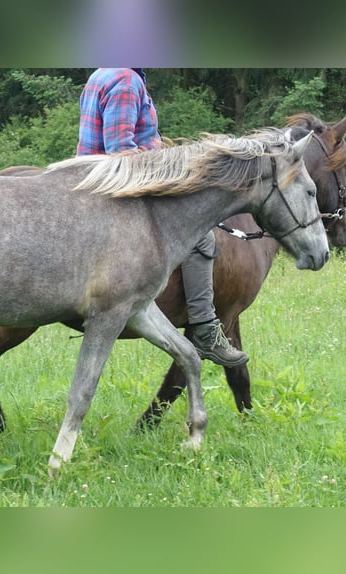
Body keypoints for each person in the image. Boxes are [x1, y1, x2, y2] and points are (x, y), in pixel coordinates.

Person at [76, 68, 248, 367]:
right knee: (201, 237)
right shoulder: (126, 81)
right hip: (114, 183)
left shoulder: (102, 72)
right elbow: (121, 152)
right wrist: (170, 165)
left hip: (96, 175)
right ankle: (206, 330)